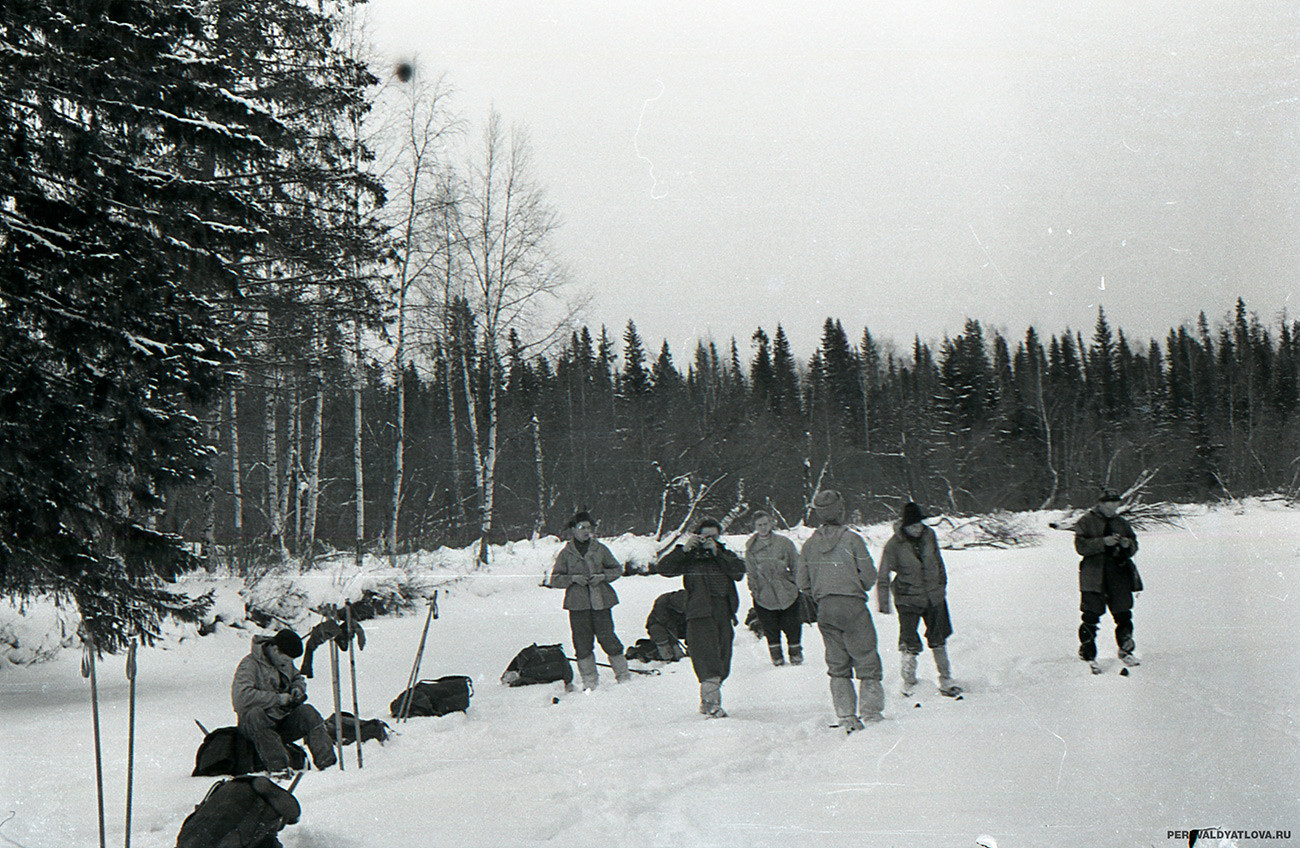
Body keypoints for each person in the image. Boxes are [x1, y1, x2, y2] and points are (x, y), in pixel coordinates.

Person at [797, 490, 884, 732]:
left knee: (837, 665)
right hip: (853, 605)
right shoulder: (852, 540)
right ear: (839, 510)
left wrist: (820, 592)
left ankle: (846, 716)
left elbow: (802, 582)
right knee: (867, 659)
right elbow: (869, 576)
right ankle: (872, 714)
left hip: (825, 608)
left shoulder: (809, 545)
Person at [655, 517, 746, 717]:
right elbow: (663, 569)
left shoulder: (723, 554)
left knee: (723, 657)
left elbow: (739, 572)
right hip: (699, 611)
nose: (709, 540)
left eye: (713, 536)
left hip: (723, 610)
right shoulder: (689, 557)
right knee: (707, 658)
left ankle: (707, 701)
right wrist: (684, 550)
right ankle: (712, 704)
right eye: (705, 536)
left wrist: (718, 552)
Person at [877, 502, 961, 697]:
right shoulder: (893, 544)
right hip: (908, 599)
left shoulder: (929, 536)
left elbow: (938, 561)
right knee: (909, 641)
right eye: (912, 526)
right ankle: (909, 682)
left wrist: (941, 586)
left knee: (938, 638)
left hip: (933, 596)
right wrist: (884, 604)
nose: (917, 529)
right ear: (905, 526)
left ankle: (946, 679)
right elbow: (883, 575)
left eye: (919, 525)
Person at [231, 629, 336, 774]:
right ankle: (279, 769)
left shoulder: (284, 662)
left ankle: (328, 765)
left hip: (282, 721)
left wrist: (297, 689)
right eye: (286, 660)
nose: (288, 664)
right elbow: (241, 698)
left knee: (308, 712)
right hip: (254, 725)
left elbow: (298, 678)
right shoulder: (249, 665)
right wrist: (278, 699)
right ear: (274, 649)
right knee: (255, 714)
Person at [546, 510, 631, 689]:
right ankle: (590, 681)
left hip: (601, 602)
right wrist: (573, 579)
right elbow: (555, 580)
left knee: (608, 638)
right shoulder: (566, 553)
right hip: (577, 605)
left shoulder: (600, 549)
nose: (586, 531)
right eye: (581, 527)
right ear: (573, 530)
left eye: (589, 528)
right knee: (582, 642)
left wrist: (601, 576)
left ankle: (623, 675)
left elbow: (616, 569)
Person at [1072, 488, 1142, 669]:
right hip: (1094, 575)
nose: (1113, 507)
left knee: (1123, 613)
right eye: (1109, 503)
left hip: (1119, 574)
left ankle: (1126, 650)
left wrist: (1127, 544)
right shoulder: (1086, 521)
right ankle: (1087, 653)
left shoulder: (1122, 523)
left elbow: (1134, 546)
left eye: (1116, 503)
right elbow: (1080, 547)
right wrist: (1103, 542)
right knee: (1091, 614)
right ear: (1100, 504)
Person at [744, 511, 804, 666]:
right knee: (770, 626)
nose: (763, 528)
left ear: (771, 524)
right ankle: (776, 656)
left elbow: (796, 565)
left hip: (786, 590)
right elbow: (750, 571)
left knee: (792, 624)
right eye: (759, 525)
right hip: (765, 594)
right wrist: (755, 590)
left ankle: (796, 653)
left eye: (765, 524)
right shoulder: (751, 548)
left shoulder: (784, 543)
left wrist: (795, 583)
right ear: (755, 527)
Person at [645, 589, 689, 662]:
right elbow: (669, 626)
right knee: (658, 631)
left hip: (681, 626)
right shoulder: (662, 604)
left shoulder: (692, 601)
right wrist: (675, 646)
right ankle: (667, 656)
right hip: (662, 628)